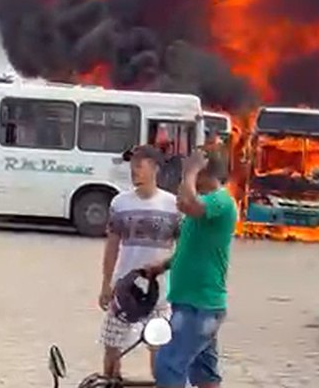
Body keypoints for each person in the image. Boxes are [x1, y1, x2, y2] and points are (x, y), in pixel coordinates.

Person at [147, 149, 238, 388]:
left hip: (199, 305)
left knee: (169, 364)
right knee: (204, 373)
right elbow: (190, 242)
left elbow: (188, 205)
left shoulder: (220, 201)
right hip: (193, 301)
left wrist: (190, 170)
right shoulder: (205, 205)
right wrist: (163, 266)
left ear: (205, 173)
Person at [99, 145, 182, 379]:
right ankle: (111, 381)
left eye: (139, 166)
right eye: (132, 166)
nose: (134, 171)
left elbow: (183, 250)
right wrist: (106, 284)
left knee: (159, 348)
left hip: (160, 292)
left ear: (155, 168)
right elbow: (112, 247)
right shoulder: (120, 203)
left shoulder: (174, 206)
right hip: (124, 289)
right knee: (112, 345)